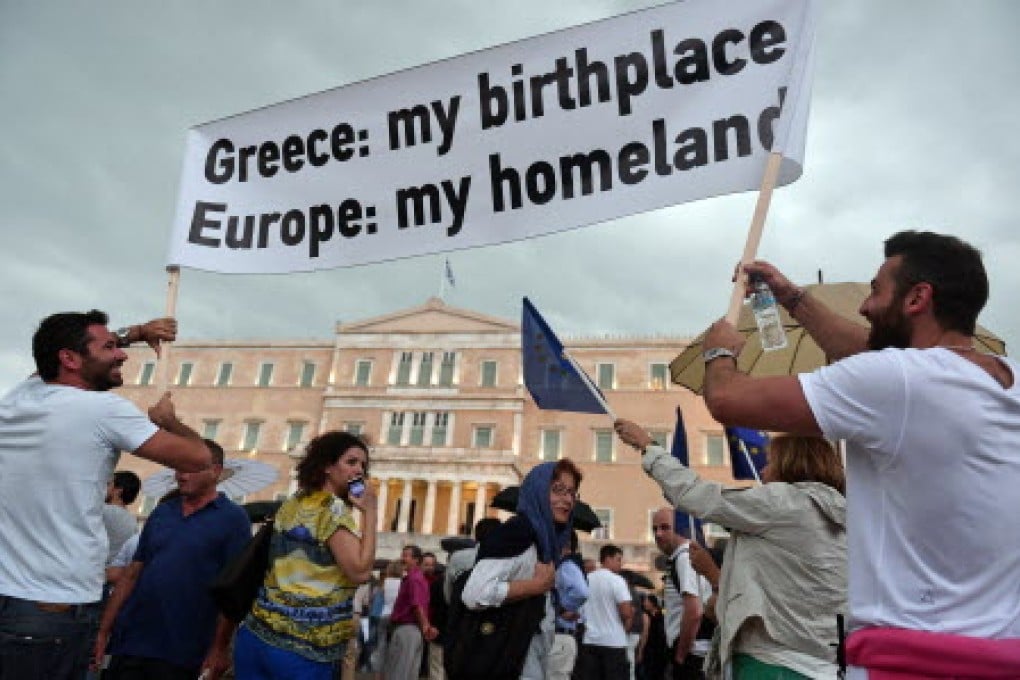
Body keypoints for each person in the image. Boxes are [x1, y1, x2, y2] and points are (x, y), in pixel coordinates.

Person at [697, 230, 1020, 676]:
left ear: (917, 298)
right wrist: (794, 299)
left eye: (876, 291)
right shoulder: (1002, 380)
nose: (866, 307)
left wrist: (718, 348)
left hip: (910, 661)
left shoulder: (900, 382)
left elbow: (727, 400)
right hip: (1000, 657)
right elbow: (875, 357)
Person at [0, 311, 211, 680]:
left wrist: (136, 333)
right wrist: (169, 422)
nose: (123, 354)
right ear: (69, 359)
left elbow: (49, 359)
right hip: (54, 607)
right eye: (110, 347)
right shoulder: (103, 409)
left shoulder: (20, 397)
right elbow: (200, 459)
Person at [619, 423, 847, 678]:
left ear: (790, 464)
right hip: (823, 665)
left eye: (771, 461)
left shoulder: (783, 502)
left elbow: (697, 495)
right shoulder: (844, 517)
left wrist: (649, 448)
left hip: (772, 663)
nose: (763, 470)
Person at [96, 439, 251, 680]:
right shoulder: (162, 512)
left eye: (190, 469)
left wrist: (218, 649)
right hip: (132, 642)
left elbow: (232, 592)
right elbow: (132, 573)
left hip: (184, 651)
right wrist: (103, 630)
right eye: (178, 468)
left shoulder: (234, 520)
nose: (181, 476)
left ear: (216, 472)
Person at [234, 430, 377, 680]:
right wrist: (370, 513)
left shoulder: (294, 502)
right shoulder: (331, 509)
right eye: (351, 462)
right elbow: (361, 571)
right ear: (327, 467)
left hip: (257, 634)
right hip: (304, 648)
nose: (359, 471)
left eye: (363, 465)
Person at [461, 459, 582, 679]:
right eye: (557, 490)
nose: (567, 500)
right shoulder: (518, 532)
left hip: (526, 657)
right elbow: (474, 593)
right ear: (538, 491)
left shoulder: (545, 540)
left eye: (572, 493)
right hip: (504, 659)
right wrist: (535, 586)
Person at [647, 508, 705, 679]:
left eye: (665, 527)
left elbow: (694, 612)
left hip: (692, 655)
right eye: (654, 529)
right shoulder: (684, 557)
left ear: (679, 527)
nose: (658, 534)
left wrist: (680, 655)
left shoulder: (684, 558)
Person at [574, 544, 634, 680]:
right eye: (618, 559)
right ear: (607, 559)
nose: (621, 563)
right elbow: (626, 612)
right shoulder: (617, 581)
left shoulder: (586, 579)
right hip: (614, 643)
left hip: (590, 641)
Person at [384, 545, 435, 680]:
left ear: (416, 560)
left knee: (400, 672)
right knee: (408, 671)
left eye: (406, 555)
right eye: (403, 555)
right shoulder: (416, 578)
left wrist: (425, 626)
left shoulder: (413, 579)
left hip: (408, 628)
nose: (402, 558)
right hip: (411, 629)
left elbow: (417, 605)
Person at [545, 529, 587, 680]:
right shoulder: (560, 565)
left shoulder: (567, 565)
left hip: (560, 636)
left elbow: (581, 592)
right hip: (557, 636)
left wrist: (562, 609)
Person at [103, 471, 142, 566]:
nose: (103, 488)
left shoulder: (105, 511)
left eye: (108, 484)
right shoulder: (132, 521)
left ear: (118, 490)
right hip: (111, 572)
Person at [641, 595, 668, 680]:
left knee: (659, 670)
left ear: (652, 603)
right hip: (650, 646)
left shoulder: (662, 613)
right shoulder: (646, 614)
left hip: (661, 647)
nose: (644, 603)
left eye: (646, 601)